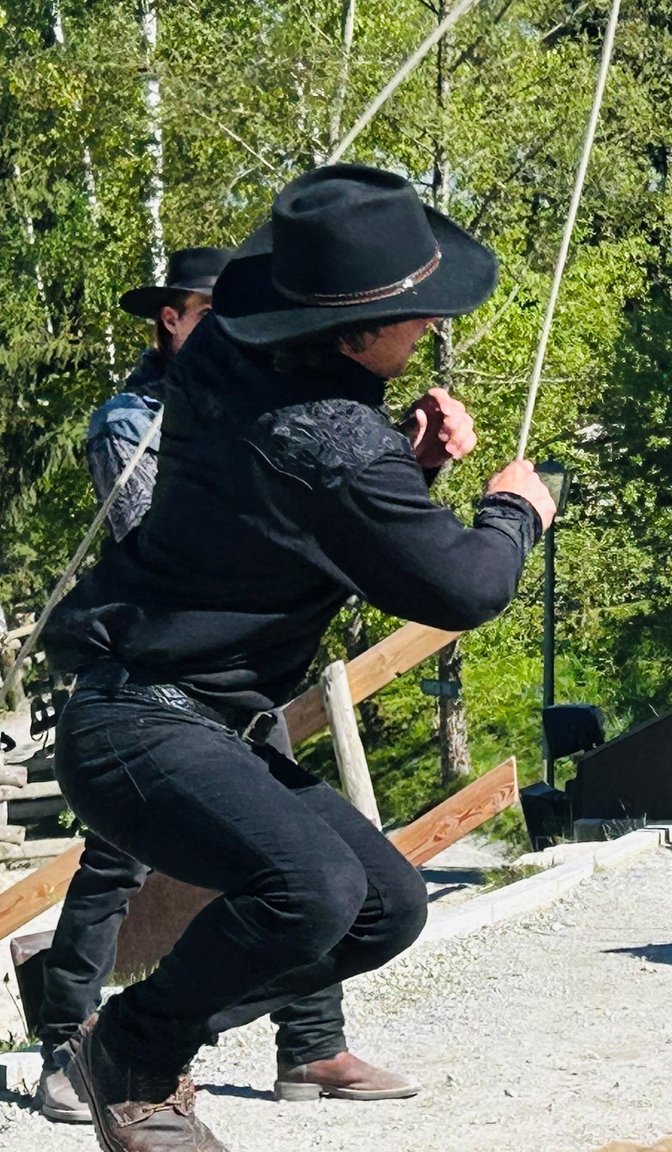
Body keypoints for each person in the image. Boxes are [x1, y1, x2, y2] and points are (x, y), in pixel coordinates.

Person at [40, 165, 558, 1152]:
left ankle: (131, 1042)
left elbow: (290, 515)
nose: (428, 329)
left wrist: (414, 471)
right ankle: (135, 1063)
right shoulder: (330, 440)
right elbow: (462, 588)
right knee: (313, 886)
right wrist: (513, 511)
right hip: (138, 722)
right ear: (352, 335)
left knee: (386, 909)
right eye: (414, 315)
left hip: (205, 725)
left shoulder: (241, 373)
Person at [35, 247, 423, 1126]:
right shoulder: (133, 419)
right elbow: (179, 549)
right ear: (169, 320)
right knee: (117, 859)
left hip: (236, 678)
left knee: (314, 867)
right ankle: (74, 1042)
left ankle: (308, 1046)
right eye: (208, 311)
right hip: (156, 674)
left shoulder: (264, 408)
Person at [84, 248, 230, 544]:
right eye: (208, 314)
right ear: (170, 320)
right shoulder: (126, 426)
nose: (225, 327)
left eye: (233, 312)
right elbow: (152, 547)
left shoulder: (257, 399)